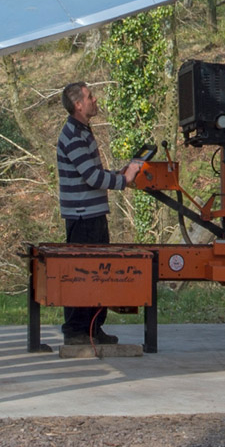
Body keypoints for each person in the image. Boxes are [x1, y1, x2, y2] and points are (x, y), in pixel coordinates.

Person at [55, 81, 128, 346]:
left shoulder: (82, 132)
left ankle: (93, 327)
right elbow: (91, 177)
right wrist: (124, 181)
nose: (94, 100)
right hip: (83, 217)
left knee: (99, 273)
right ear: (78, 105)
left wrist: (117, 174)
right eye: (89, 96)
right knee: (82, 274)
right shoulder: (73, 135)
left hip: (92, 214)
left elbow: (94, 173)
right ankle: (76, 330)